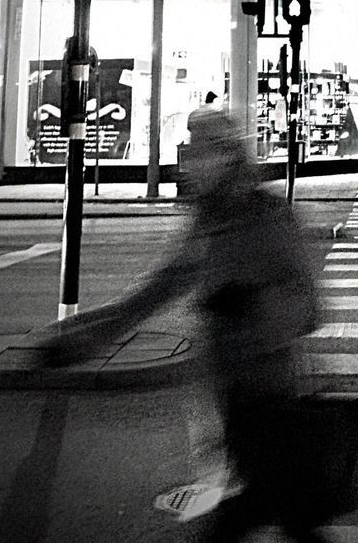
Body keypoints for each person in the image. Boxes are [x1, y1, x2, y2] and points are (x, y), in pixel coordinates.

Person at [36, 106, 328, 541]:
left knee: (245, 515)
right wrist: (79, 340)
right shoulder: (207, 221)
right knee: (276, 515)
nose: (188, 160)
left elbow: (309, 306)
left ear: (227, 157)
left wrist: (251, 308)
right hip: (227, 396)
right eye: (189, 150)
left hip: (268, 394)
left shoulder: (266, 217)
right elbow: (154, 292)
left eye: (200, 150)